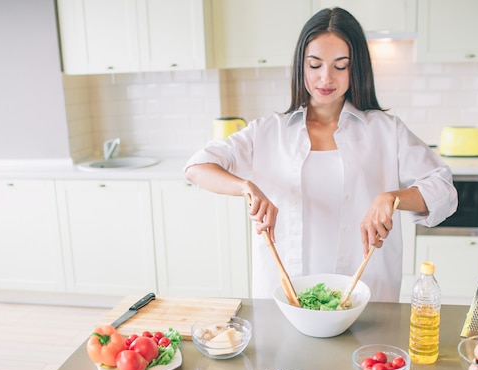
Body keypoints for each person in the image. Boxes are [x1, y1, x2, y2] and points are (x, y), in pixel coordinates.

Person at [184, 7, 457, 302]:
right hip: (286, 299)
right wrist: (245, 187)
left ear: (357, 68)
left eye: (340, 66)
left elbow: (444, 189)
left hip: (367, 295)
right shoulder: (267, 132)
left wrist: (393, 197)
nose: (326, 78)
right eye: (315, 65)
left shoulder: (386, 131)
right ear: (301, 66)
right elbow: (197, 166)